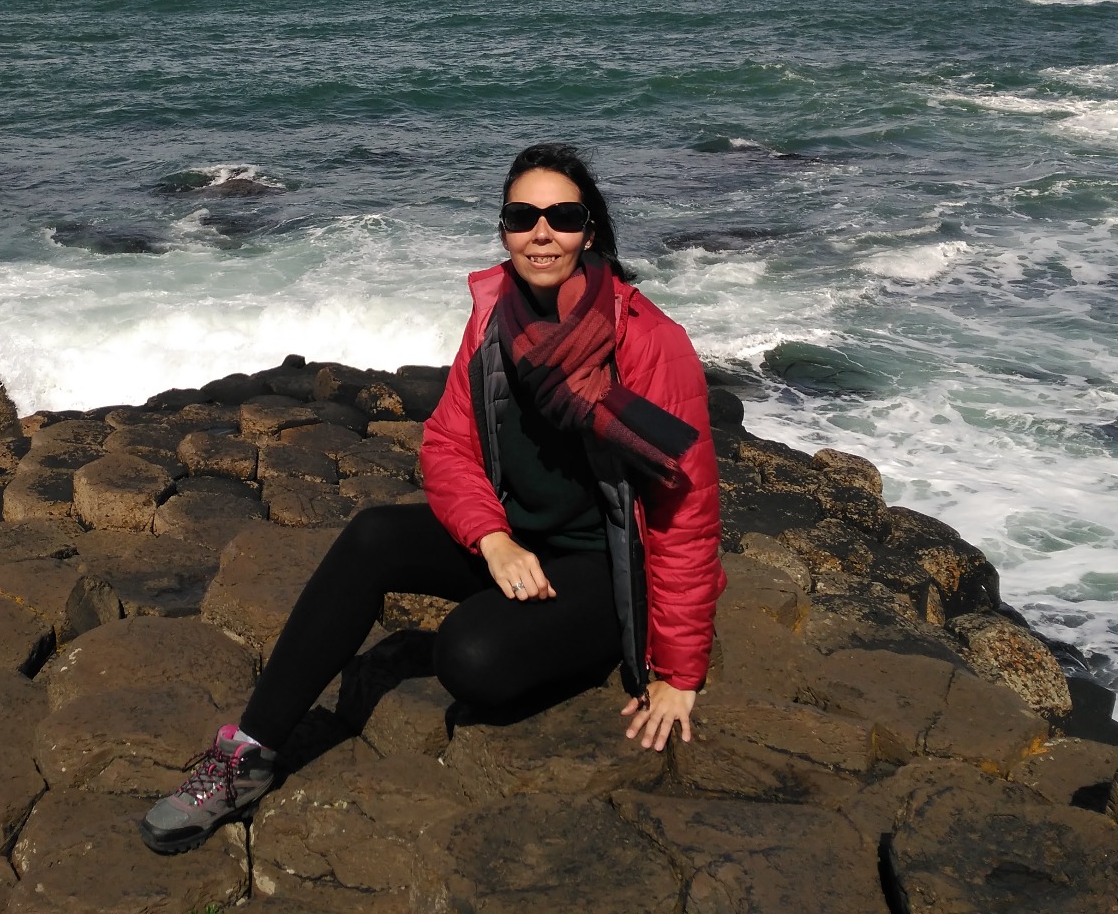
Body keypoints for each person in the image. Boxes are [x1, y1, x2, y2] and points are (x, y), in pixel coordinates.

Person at [139, 142, 724, 854]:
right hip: (516, 544)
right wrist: (491, 538)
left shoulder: (650, 342)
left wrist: (678, 673)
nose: (542, 233)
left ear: (590, 231)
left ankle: (570, 637)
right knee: (372, 535)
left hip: (603, 570)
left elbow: (685, 513)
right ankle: (246, 757)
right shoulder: (494, 321)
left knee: (470, 658)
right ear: (504, 230)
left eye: (562, 217)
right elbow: (448, 446)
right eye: (522, 216)